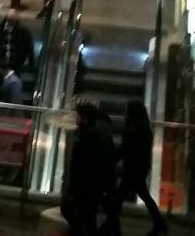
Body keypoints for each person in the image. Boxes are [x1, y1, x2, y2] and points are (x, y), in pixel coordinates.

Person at [106, 100, 167, 235]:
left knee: (119, 196)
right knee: (140, 195)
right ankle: (159, 223)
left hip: (134, 169)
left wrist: (114, 159)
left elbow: (126, 149)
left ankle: (111, 224)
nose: (124, 113)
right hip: (138, 168)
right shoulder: (143, 129)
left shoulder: (135, 130)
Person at [63, 102, 117, 236]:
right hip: (91, 185)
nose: (76, 119)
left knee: (76, 211)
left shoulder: (90, 136)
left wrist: (75, 186)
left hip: (87, 185)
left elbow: (85, 164)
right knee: (87, 216)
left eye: (78, 116)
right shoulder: (95, 133)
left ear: (85, 118)